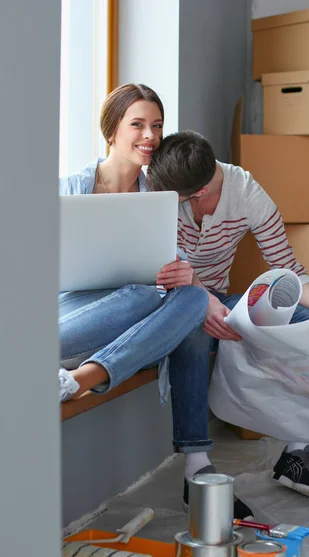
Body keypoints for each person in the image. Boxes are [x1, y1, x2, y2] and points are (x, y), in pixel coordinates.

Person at [148, 130, 309, 501]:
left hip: (216, 294)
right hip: (167, 297)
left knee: (307, 321)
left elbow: (288, 269)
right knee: (192, 330)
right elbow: (160, 268)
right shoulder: (162, 191)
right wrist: (198, 301)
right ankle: (197, 470)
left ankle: (297, 451)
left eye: (181, 200)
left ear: (200, 194)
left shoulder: (248, 195)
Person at [58, 84, 224, 496]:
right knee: (144, 294)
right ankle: (196, 465)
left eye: (157, 125)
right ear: (112, 130)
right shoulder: (71, 189)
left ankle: (84, 378)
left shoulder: (158, 196)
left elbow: (180, 265)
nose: (150, 136)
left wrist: (193, 282)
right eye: (138, 124)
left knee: (189, 297)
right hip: (74, 318)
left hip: (130, 322)